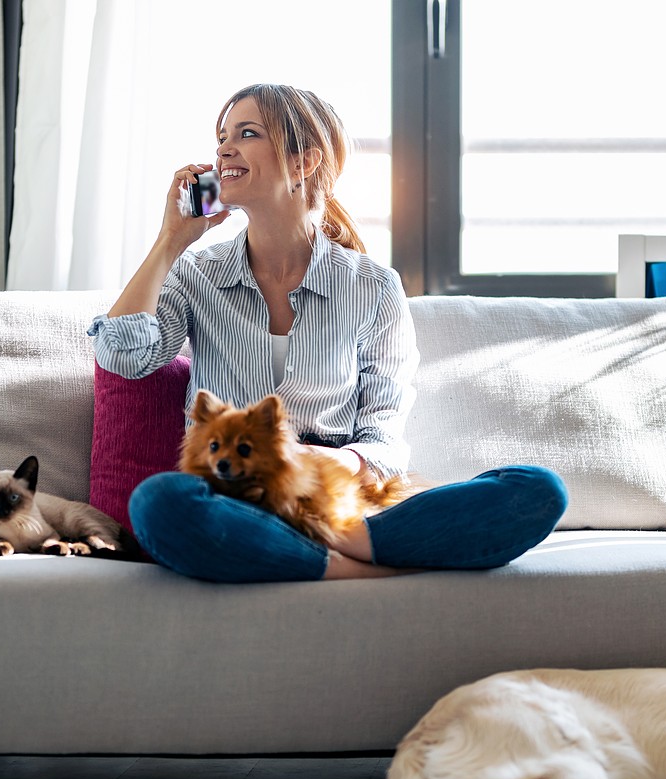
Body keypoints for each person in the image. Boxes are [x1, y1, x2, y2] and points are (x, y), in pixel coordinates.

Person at [89, 83, 566, 582]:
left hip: (333, 494)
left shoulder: (373, 286)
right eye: (222, 138)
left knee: (535, 490)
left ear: (303, 162)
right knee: (159, 502)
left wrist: (323, 461)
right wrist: (171, 241)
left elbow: (383, 438)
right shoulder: (196, 273)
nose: (224, 149)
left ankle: (331, 541)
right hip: (235, 497)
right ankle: (351, 563)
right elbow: (124, 356)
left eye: (246, 134)